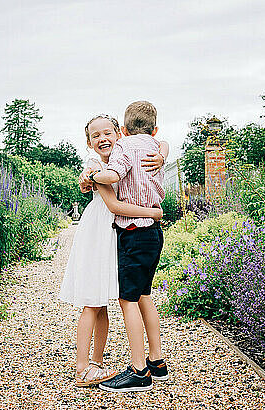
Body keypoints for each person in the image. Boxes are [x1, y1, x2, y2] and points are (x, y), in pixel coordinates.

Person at [58, 114, 167, 387]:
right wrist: (153, 213)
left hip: (115, 236)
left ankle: (96, 362)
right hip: (99, 234)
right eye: (96, 136)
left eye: (108, 132)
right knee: (93, 302)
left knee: (103, 302)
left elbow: (160, 142)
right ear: (89, 142)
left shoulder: (124, 157)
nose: (102, 138)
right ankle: (83, 367)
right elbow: (114, 207)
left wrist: (162, 155)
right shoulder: (96, 167)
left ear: (120, 133)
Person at [89, 101, 169, 393]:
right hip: (153, 234)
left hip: (134, 233)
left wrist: (93, 177)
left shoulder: (123, 148)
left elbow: (114, 176)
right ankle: (157, 362)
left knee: (128, 300)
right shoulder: (155, 146)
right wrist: (161, 152)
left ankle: (139, 371)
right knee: (144, 294)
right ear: (154, 128)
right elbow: (165, 143)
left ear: (122, 130)